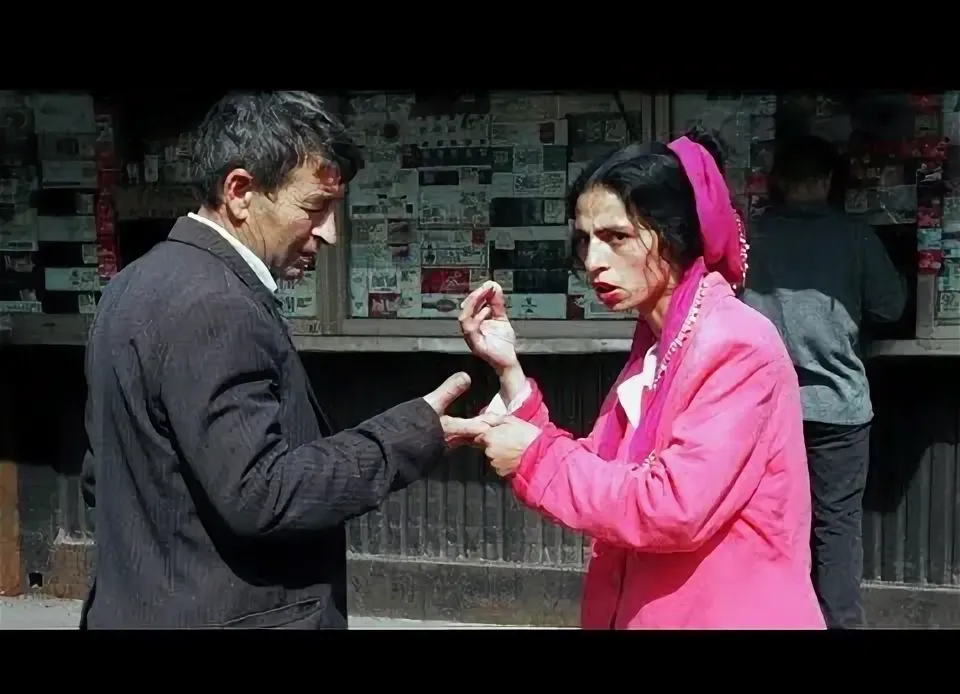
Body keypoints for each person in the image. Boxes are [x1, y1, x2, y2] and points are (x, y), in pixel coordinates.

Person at [79, 91, 488, 629]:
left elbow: (101, 477)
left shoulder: (132, 283)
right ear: (240, 192)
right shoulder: (217, 305)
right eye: (315, 208)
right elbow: (261, 493)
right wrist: (410, 435)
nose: (330, 233)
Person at [458, 129, 826, 630]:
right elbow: (602, 472)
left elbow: (672, 507)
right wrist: (509, 371)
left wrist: (534, 456)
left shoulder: (736, 344)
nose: (593, 262)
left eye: (617, 237)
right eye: (585, 240)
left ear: (674, 235)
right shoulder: (659, 344)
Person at [742, 134, 907, 629]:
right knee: (836, 531)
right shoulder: (854, 237)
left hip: (766, 411)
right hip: (839, 410)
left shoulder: (753, 238)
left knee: (770, 525)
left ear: (779, 182)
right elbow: (890, 306)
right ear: (829, 180)